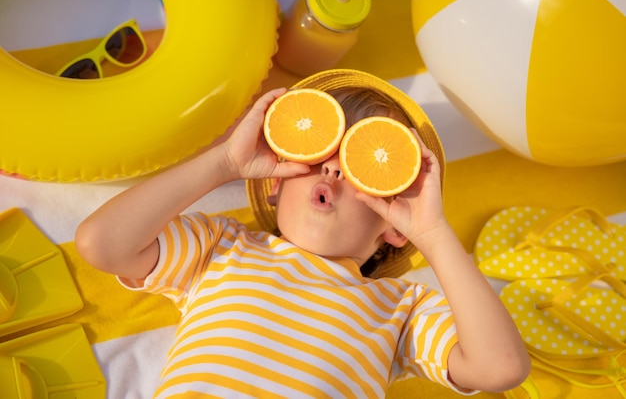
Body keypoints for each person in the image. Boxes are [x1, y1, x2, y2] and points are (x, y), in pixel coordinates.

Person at [76, 69, 530, 398]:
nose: (333, 167)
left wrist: (432, 232)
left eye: (363, 167)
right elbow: (101, 243)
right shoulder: (221, 247)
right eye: (317, 154)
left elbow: (501, 367)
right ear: (275, 184)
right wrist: (224, 165)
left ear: (394, 228)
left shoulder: (401, 310)